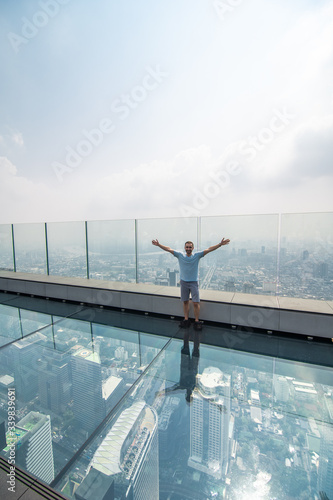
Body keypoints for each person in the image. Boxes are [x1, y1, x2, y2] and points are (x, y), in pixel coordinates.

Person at [151, 237, 230, 330]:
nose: (188, 249)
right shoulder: (180, 255)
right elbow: (169, 249)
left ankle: (197, 321)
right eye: (187, 247)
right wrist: (159, 245)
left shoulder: (197, 255)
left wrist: (220, 244)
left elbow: (209, 249)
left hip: (193, 282)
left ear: (193, 248)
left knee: (196, 303)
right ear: (185, 248)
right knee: (185, 302)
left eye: (190, 247)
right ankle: (186, 320)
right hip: (184, 282)